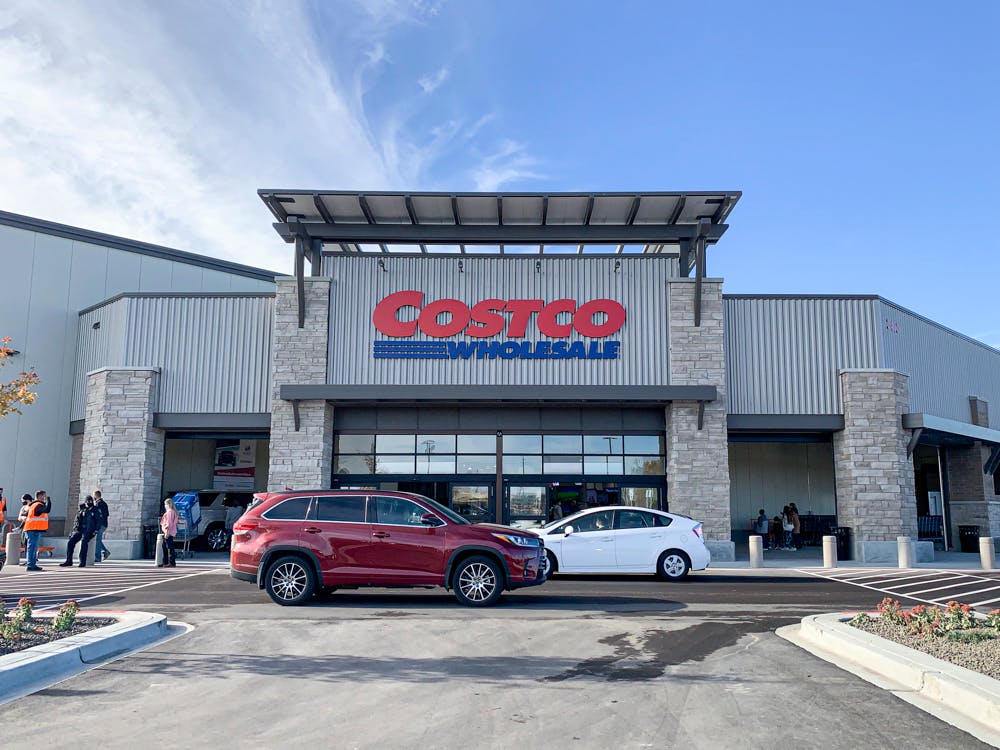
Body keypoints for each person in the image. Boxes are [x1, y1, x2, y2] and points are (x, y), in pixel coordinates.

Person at [59, 497, 98, 567]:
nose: (89, 503)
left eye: (90, 501)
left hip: (89, 531)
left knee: (84, 542)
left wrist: (96, 530)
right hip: (80, 530)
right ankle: (69, 561)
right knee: (71, 542)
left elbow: (99, 521)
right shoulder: (81, 509)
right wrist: (73, 531)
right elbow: (76, 520)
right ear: (85, 502)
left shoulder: (95, 510)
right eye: (88, 502)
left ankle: (82, 561)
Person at [23, 490, 50, 571]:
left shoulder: (33, 505)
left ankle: (32, 564)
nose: (45, 497)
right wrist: (49, 500)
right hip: (33, 529)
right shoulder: (38, 505)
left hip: (32, 529)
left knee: (33, 547)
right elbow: (47, 510)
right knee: (33, 548)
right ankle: (31, 565)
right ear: (39, 496)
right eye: (44, 496)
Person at [92, 489, 111, 562]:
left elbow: (98, 516)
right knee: (98, 540)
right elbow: (107, 514)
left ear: (96, 496)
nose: (93, 497)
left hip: (100, 525)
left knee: (97, 541)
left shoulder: (98, 504)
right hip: (104, 524)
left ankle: (98, 557)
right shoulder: (104, 503)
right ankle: (105, 551)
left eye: (93, 495)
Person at [159, 497, 178, 568]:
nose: (165, 506)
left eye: (165, 504)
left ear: (169, 504)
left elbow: (169, 523)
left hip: (169, 532)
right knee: (165, 547)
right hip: (169, 531)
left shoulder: (170, 512)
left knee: (169, 547)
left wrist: (167, 532)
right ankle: (165, 562)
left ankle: (171, 562)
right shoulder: (171, 511)